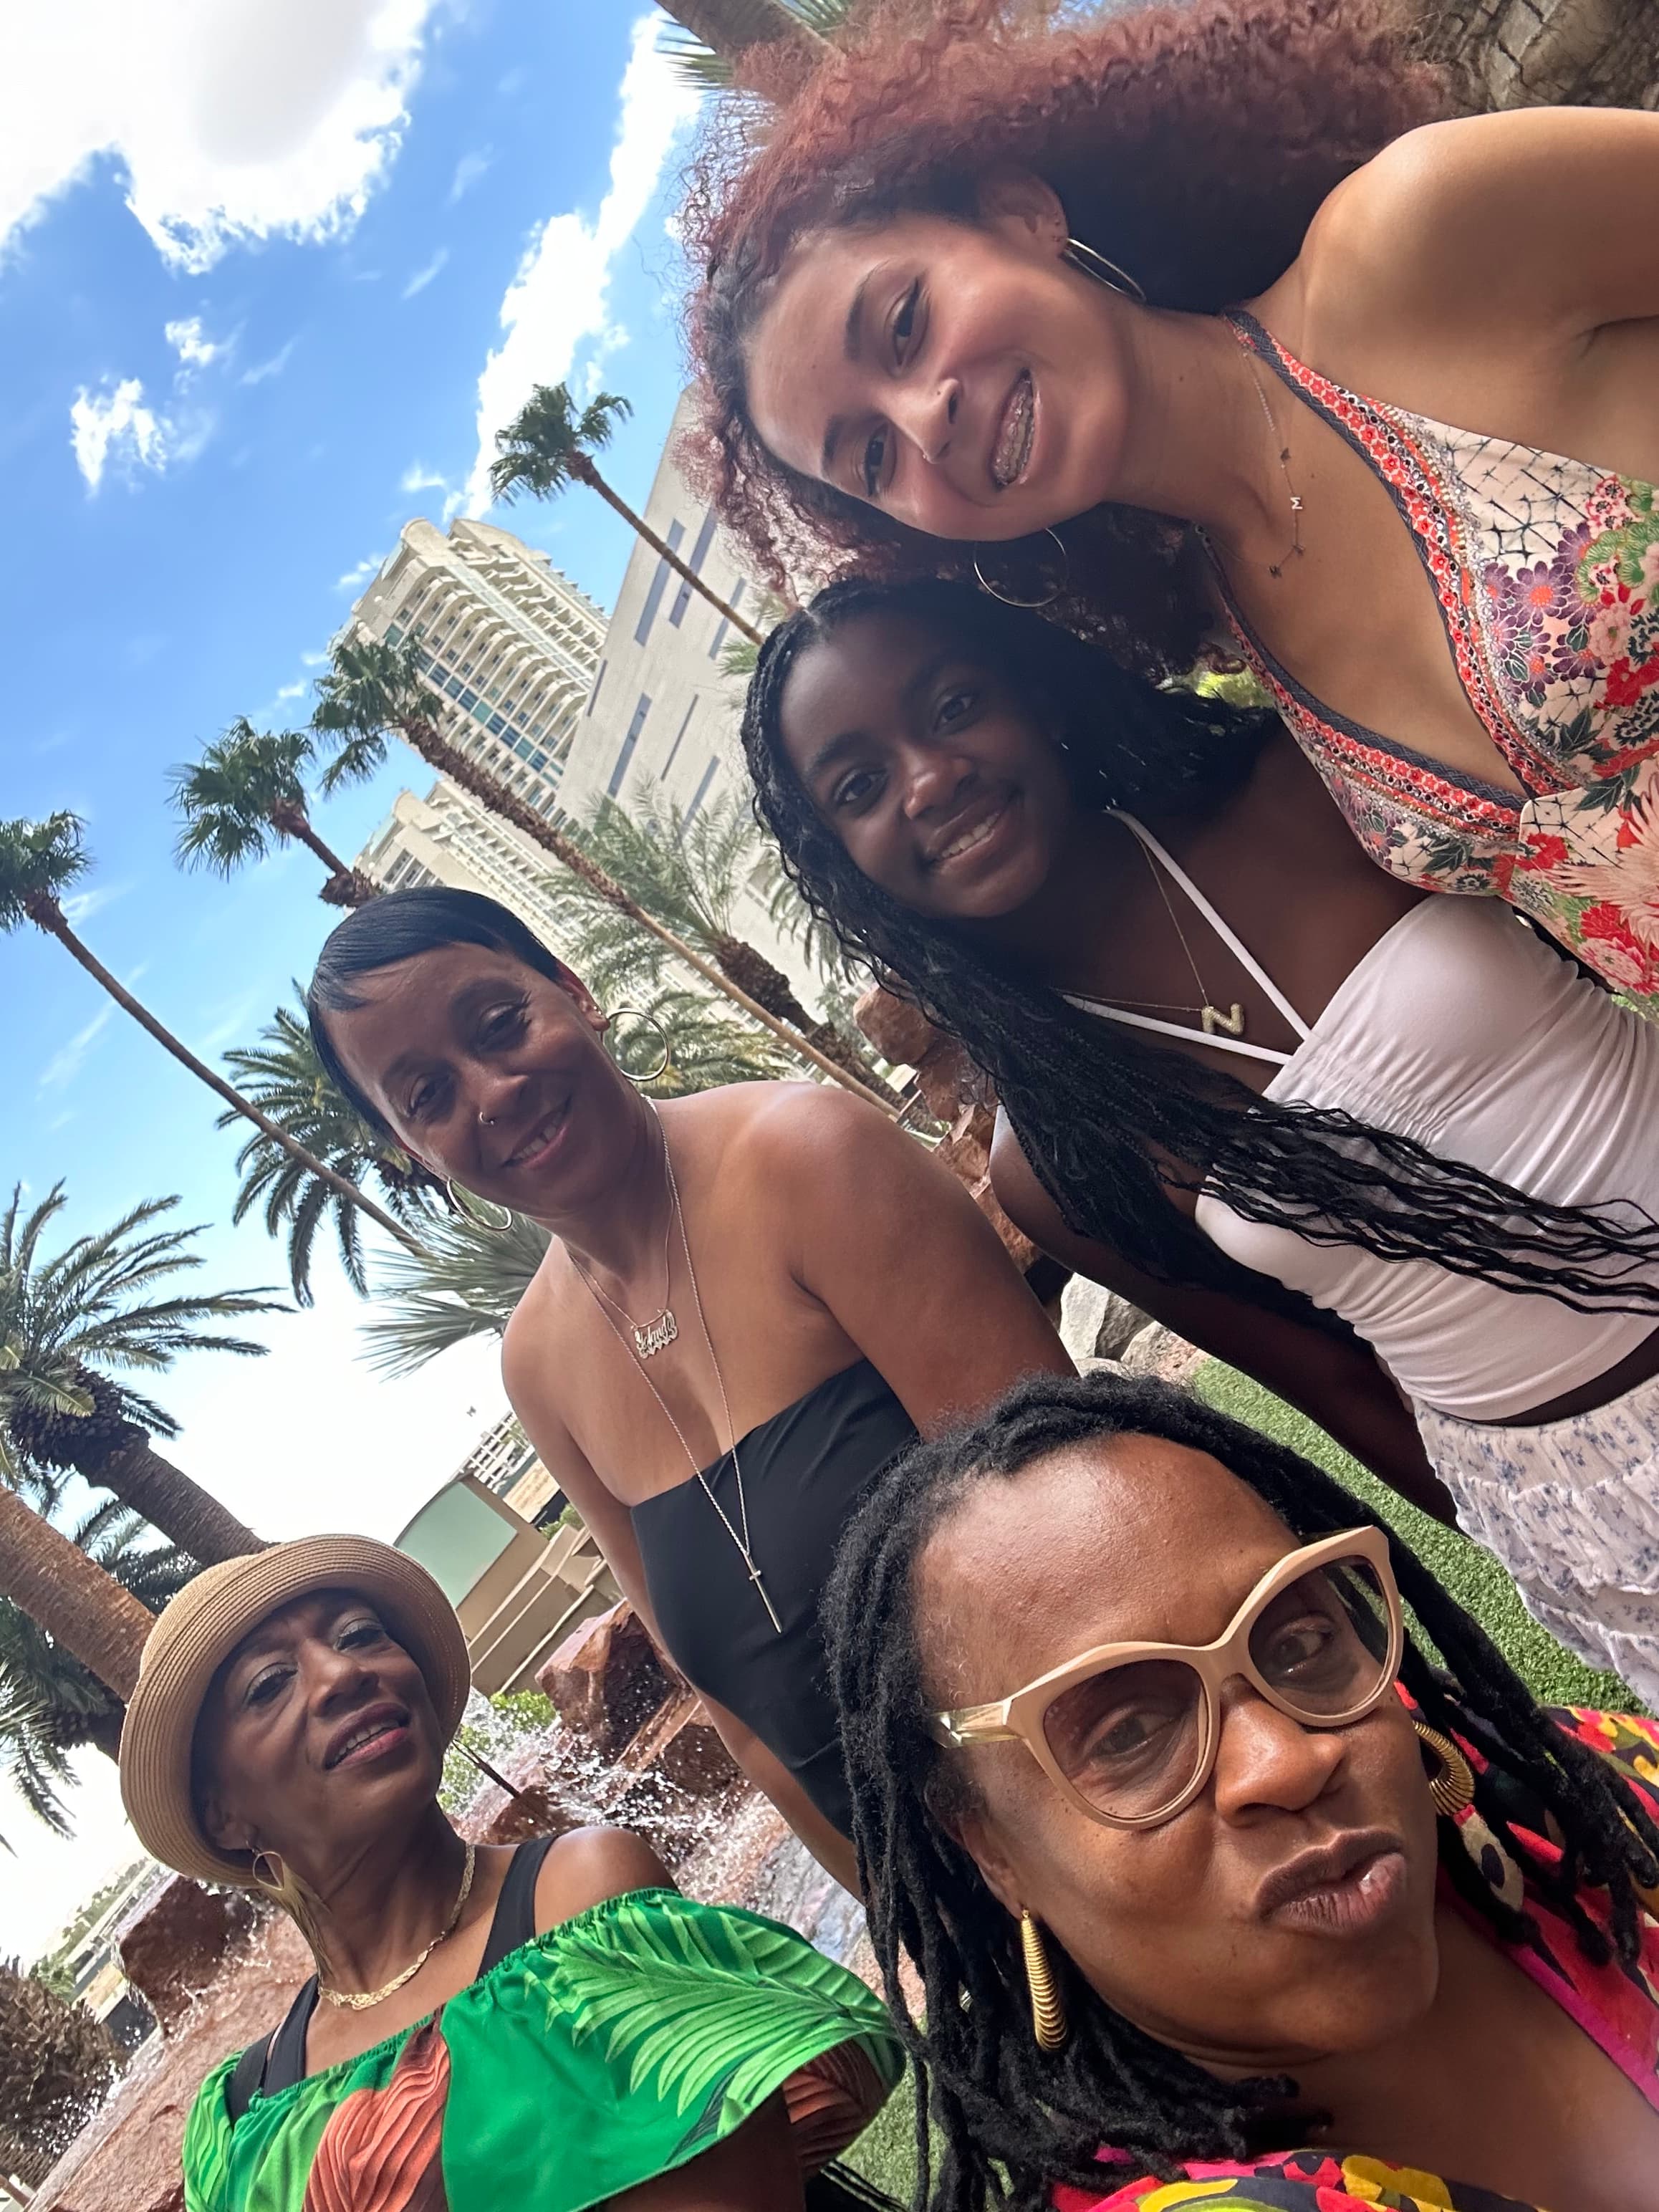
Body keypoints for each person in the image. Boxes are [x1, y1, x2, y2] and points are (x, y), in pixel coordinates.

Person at [741, 574, 1659, 1696]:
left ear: (1026, 691)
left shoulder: (1295, 785)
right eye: (861, 783)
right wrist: (1544, 1544)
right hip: (1585, 1505)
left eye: (951, 707)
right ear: (843, 858)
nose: (931, 780)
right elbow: (1333, 1380)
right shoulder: (1057, 1163)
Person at [684, 0, 1659, 1001]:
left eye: (904, 324)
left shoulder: (1412, 246)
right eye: (875, 457)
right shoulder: (1233, 621)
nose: (924, 420)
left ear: (1023, 215)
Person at [307, 889, 1069, 1892]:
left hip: (1113, 1809)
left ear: (574, 994)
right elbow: (744, 1723)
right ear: (412, 1148)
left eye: (500, 1026)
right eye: (427, 1097)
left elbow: (1074, 1511)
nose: (489, 1094)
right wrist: (920, 1941)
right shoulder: (537, 1365)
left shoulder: (806, 1159)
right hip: (959, 1920)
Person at [824, 1369, 1659, 2212]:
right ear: (993, 1849)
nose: (1286, 1761)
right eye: (1128, 1735)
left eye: (1295, 1640)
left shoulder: (1568, 1810)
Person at [117, 1535, 903, 2212]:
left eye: (360, 1634)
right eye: (269, 1684)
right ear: (225, 1815)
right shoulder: (239, 2120)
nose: (340, 1673)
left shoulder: (580, 1901)